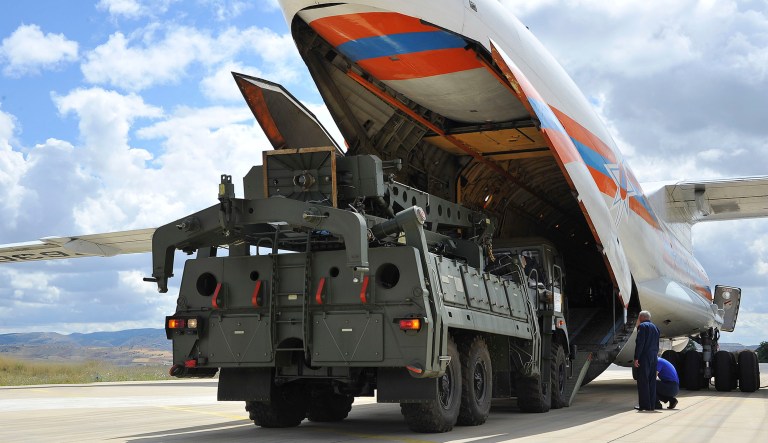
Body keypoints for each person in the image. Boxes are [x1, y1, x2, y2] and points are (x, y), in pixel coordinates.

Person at [634, 310, 660, 411]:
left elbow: (640, 343)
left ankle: (644, 405)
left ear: (641, 317)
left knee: (643, 381)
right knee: (652, 381)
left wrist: (637, 357)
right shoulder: (656, 328)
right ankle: (651, 405)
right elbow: (657, 344)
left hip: (644, 357)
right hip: (654, 357)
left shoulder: (643, 326)